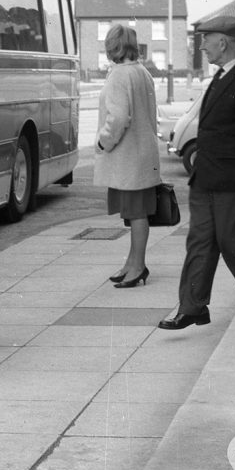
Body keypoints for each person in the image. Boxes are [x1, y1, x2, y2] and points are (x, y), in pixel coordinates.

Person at [158, 16, 235, 330]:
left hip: (234, 179)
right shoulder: (221, 77)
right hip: (207, 178)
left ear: (222, 42)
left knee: (232, 241)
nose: (202, 45)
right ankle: (192, 307)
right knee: (199, 242)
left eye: (205, 39)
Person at [92, 24, 161, 289]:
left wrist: (102, 141)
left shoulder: (119, 75)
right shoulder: (142, 72)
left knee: (136, 214)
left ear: (113, 46)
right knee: (136, 213)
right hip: (142, 153)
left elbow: (118, 118)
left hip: (127, 156)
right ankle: (132, 263)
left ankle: (138, 266)